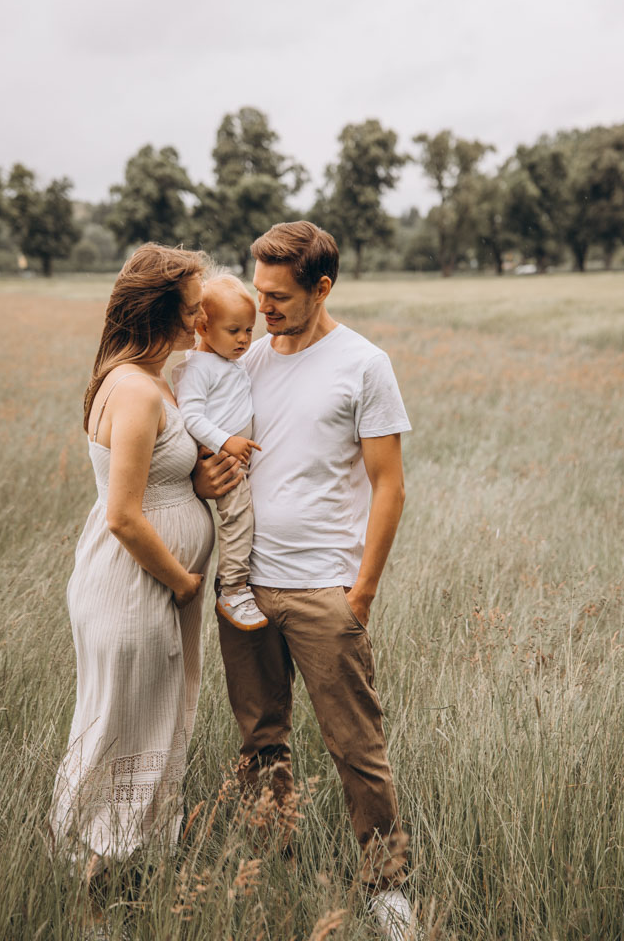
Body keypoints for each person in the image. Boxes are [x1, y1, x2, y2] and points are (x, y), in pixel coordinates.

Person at [194, 221, 416, 939]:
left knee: (355, 746)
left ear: (323, 287)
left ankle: (387, 890)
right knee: (261, 740)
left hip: (325, 590)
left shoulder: (363, 364)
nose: (264, 308)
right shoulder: (247, 359)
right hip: (246, 587)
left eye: (280, 295)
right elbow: (215, 454)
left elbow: (389, 487)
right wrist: (203, 472)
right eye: (257, 292)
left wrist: (361, 594)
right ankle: (274, 870)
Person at [49, 244, 215, 872]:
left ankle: (115, 881)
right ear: (158, 311)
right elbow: (123, 513)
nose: (202, 322)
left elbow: (156, 485)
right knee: (123, 739)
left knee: (117, 731)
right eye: (194, 311)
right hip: (139, 588)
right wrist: (181, 581)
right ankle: (98, 901)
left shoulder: (138, 378)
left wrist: (201, 485)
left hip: (133, 587)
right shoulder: (138, 391)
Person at [172, 274, 267, 630]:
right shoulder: (198, 367)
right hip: (221, 458)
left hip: (231, 454)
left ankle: (237, 583)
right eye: (234, 331)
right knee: (238, 517)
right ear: (203, 326)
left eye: (248, 330)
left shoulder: (228, 360)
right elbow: (191, 416)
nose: (243, 339)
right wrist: (225, 442)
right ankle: (233, 589)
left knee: (242, 517)